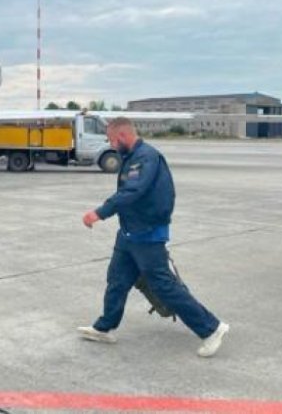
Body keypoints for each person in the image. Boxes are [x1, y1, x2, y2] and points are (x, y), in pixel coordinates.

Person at [78, 117, 229, 357]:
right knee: (117, 280)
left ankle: (212, 329)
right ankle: (104, 328)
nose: (111, 145)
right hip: (129, 233)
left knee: (164, 286)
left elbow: (133, 191)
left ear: (123, 136)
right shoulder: (132, 156)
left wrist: (99, 213)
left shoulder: (146, 158)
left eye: (112, 140)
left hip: (147, 234)